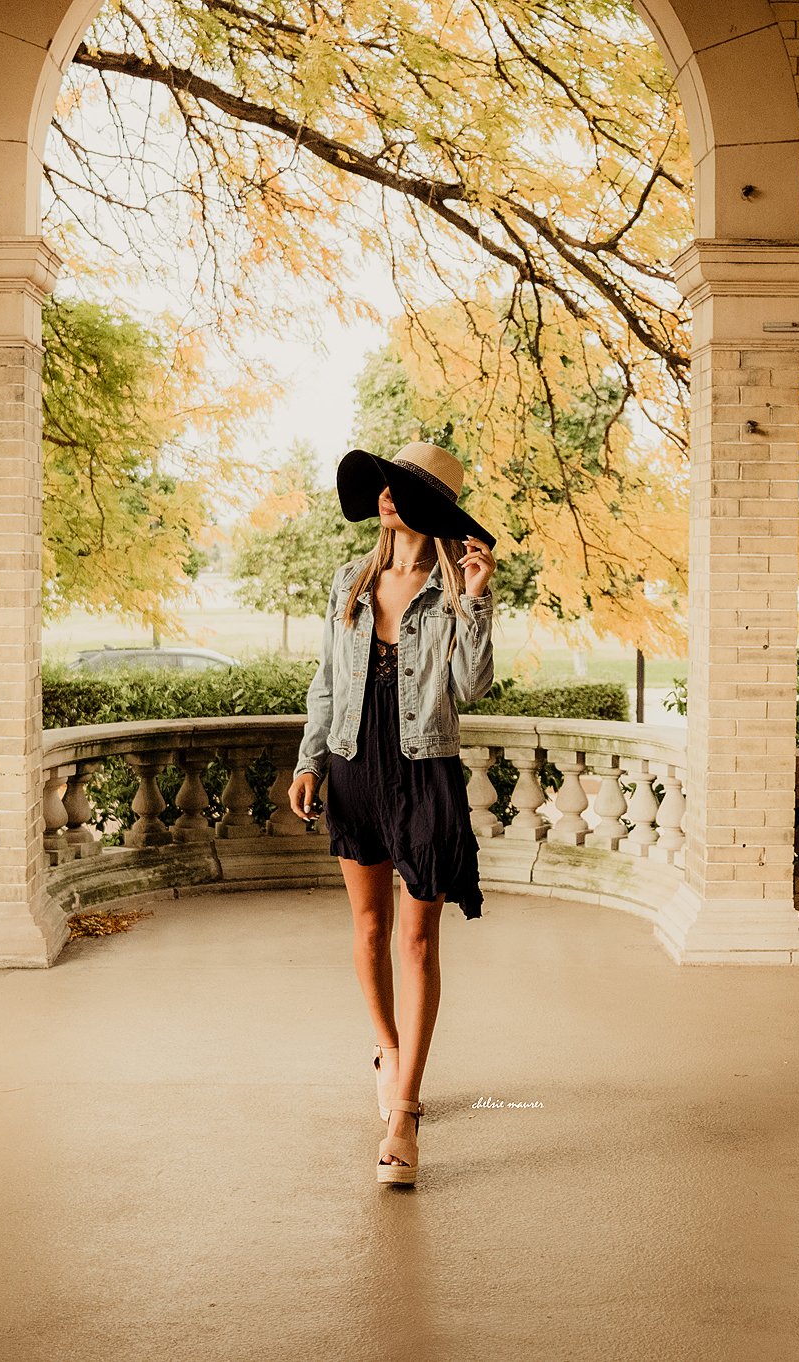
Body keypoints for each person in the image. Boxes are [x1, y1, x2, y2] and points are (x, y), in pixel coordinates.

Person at [287, 441, 499, 1187]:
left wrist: (475, 597)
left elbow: (471, 688)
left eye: (401, 489)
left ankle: (404, 1113)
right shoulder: (350, 581)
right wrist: (310, 758)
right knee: (370, 927)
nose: (384, 496)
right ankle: (388, 1048)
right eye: (383, 485)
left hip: (424, 770)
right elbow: (324, 680)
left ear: (429, 510)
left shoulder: (450, 592)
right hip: (352, 764)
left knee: (415, 942)